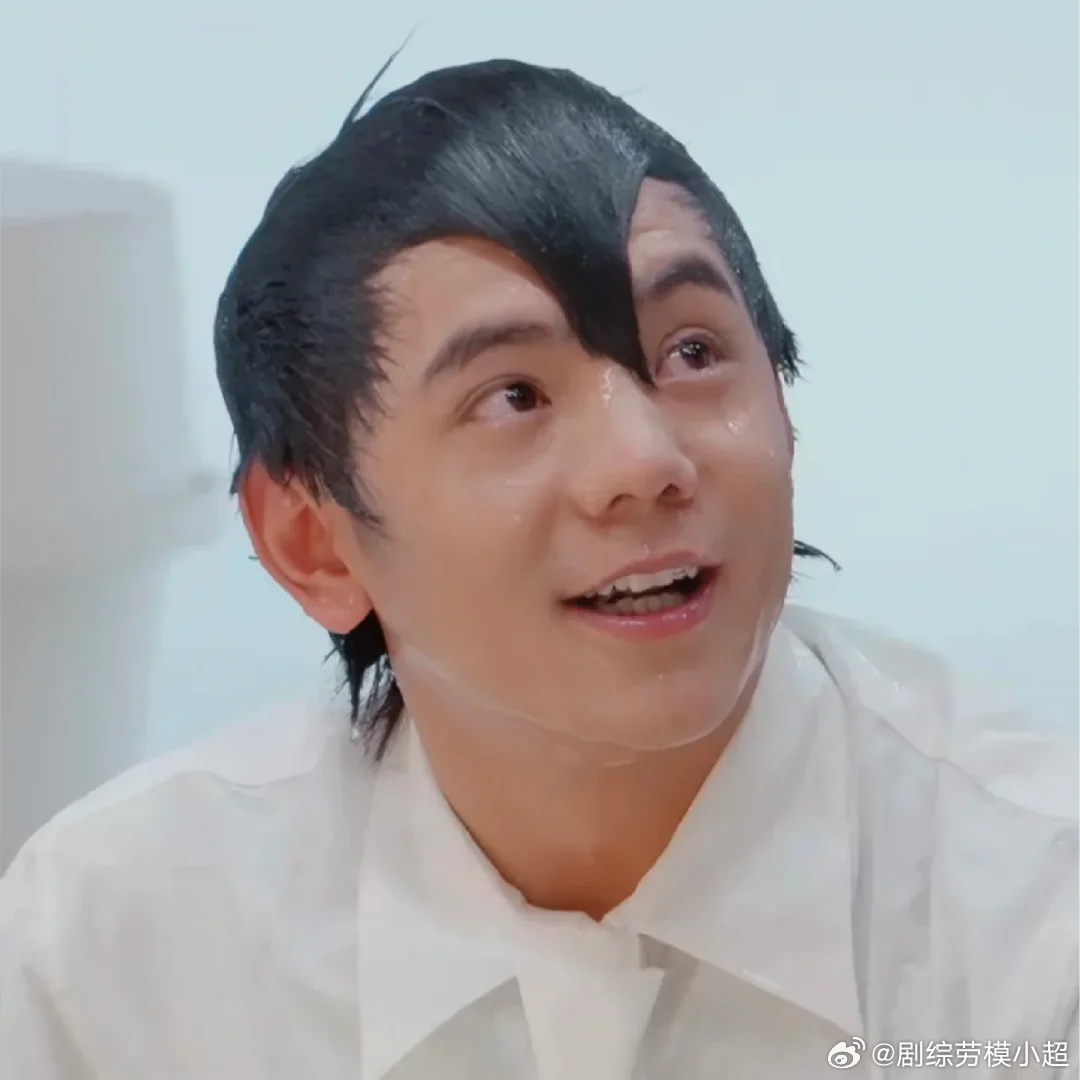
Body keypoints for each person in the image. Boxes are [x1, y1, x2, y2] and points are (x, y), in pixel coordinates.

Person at [1, 57, 1076, 1080]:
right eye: (513, 396)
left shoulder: (1036, 916)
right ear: (312, 541)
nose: (646, 462)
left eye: (692, 353)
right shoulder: (119, 942)